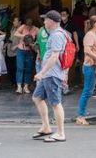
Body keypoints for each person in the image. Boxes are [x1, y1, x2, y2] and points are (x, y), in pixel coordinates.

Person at [31, 10, 67, 143]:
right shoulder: (54, 34)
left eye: (45, 19)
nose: (44, 22)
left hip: (52, 74)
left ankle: (60, 133)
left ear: (51, 21)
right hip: (48, 74)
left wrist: (42, 72)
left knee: (56, 103)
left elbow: (54, 56)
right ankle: (46, 127)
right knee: (37, 97)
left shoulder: (57, 35)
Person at [76, 15, 96, 125]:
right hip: (90, 66)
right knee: (87, 91)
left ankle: (83, 112)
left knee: (91, 90)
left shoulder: (94, 35)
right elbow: (87, 51)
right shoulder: (89, 35)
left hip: (95, 66)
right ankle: (80, 116)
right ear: (95, 24)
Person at [14, 18, 39, 94]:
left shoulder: (36, 29)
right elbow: (15, 33)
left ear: (32, 24)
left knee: (28, 69)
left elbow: (40, 37)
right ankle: (19, 87)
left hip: (30, 51)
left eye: (30, 25)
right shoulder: (23, 26)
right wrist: (24, 35)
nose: (28, 26)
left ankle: (26, 86)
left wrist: (34, 43)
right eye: (27, 25)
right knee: (20, 68)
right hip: (21, 50)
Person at [6, 17, 21, 87]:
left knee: (16, 68)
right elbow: (11, 38)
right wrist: (6, 44)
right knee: (10, 67)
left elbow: (23, 40)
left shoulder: (22, 29)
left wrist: (16, 46)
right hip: (10, 51)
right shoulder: (13, 29)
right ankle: (13, 82)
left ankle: (17, 82)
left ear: (19, 22)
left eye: (15, 21)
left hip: (17, 52)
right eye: (13, 21)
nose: (13, 22)